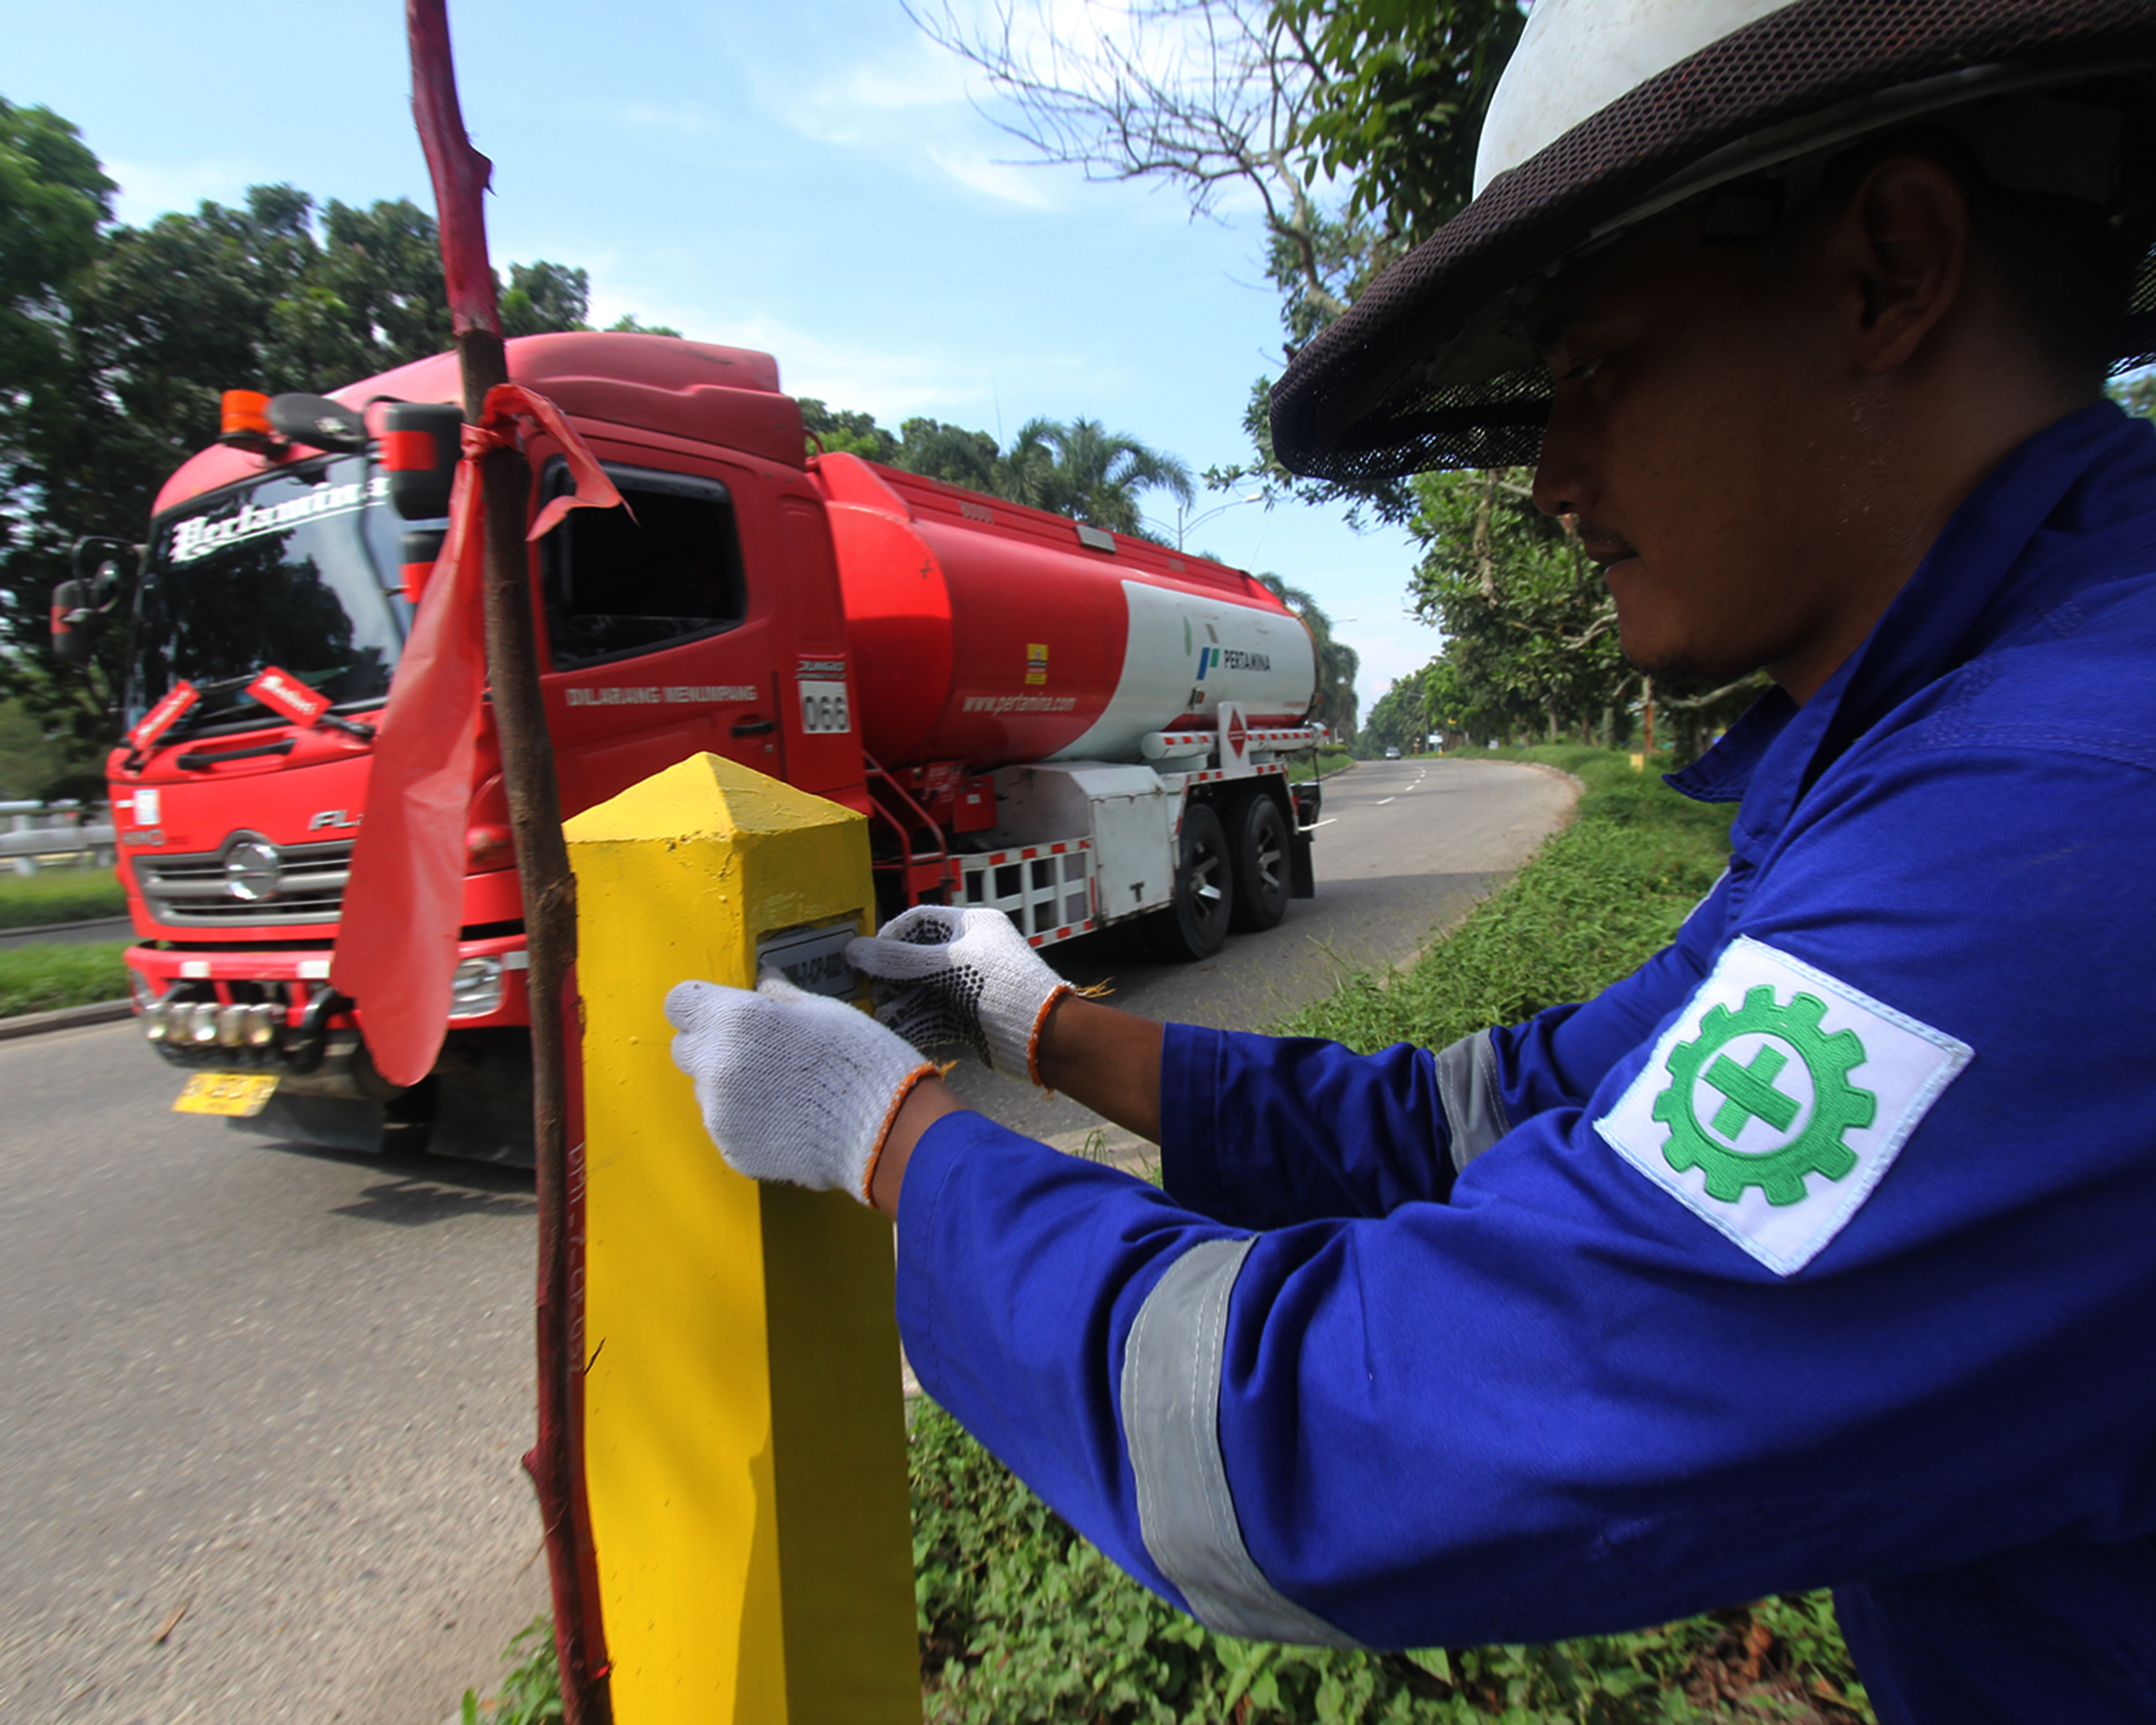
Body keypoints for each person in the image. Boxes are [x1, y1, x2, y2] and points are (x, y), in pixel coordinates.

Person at [661, 3, 2156, 1719]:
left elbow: (1328, 1436)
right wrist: (1039, 1027)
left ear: (1888, 272)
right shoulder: (1959, 746)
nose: (1553, 474)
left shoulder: (2053, 833)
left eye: (1596, 363)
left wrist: (891, 1141)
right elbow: (1505, 1111)